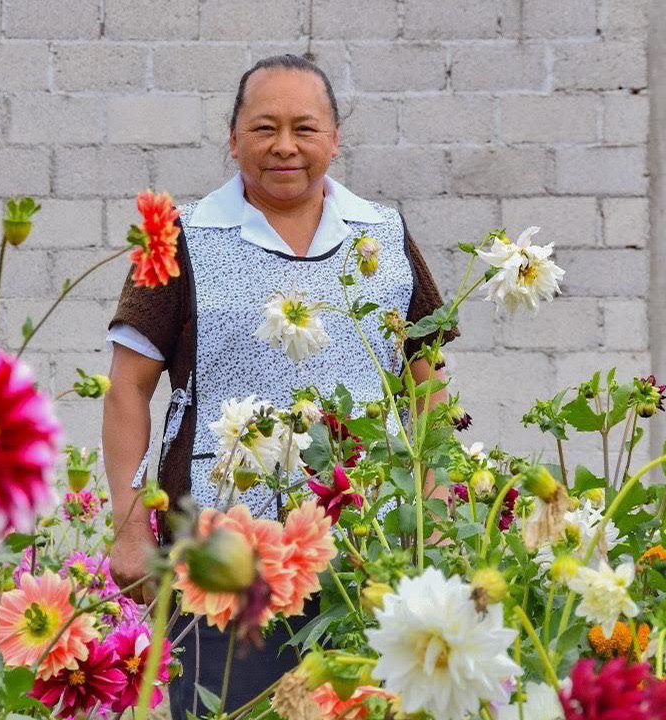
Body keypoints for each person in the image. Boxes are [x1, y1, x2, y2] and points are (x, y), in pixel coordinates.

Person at [101, 54, 456, 719]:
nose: (285, 146)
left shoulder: (383, 235)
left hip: (365, 551)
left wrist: (432, 509)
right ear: (233, 139)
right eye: (264, 128)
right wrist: (128, 529)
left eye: (305, 127)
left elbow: (427, 382)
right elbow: (127, 389)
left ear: (335, 139)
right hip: (219, 556)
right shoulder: (185, 239)